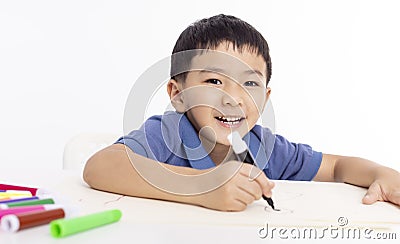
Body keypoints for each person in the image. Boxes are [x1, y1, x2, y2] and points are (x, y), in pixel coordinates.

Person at [83, 14, 400, 211]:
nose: (233, 98)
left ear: (265, 98)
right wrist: (202, 186)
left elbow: (336, 167)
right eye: (214, 80)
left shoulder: (265, 147)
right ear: (178, 95)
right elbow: (100, 166)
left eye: (250, 83)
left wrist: (381, 175)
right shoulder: (168, 134)